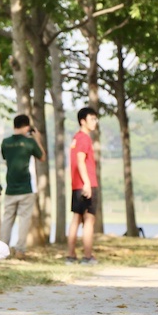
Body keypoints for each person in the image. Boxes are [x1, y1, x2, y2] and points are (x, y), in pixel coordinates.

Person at [0, 115, 45, 259]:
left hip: (10, 187)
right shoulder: (30, 142)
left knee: (7, 220)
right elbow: (42, 157)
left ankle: (2, 250)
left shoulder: (5, 142)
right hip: (26, 188)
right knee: (24, 220)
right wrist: (37, 139)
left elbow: (6, 158)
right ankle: (20, 250)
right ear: (27, 127)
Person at [66, 107, 99, 265]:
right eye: (92, 119)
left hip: (76, 185)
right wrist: (87, 183)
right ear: (83, 121)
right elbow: (80, 160)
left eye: (95, 119)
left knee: (76, 219)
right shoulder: (84, 138)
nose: (95, 122)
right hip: (86, 184)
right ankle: (87, 257)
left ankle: (71, 256)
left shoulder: (76, 138)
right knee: (89, 220)